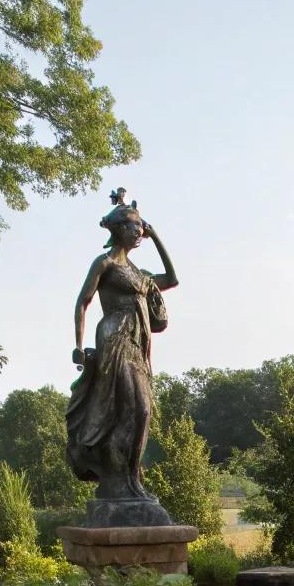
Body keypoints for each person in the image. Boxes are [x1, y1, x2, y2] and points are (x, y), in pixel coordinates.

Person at [66, 189, 179, 520]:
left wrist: (156, 234)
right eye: (133, 227)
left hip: (138, 344)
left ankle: (130, 479)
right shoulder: (104, 264)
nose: (138, 232)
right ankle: (120, 481)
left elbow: (172, 279)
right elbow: (82, 302)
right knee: (132, 408)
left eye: (140, 227)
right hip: (114, 339)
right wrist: (78, 343)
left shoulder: (141, 275)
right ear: (117, 230)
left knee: (142, 412)